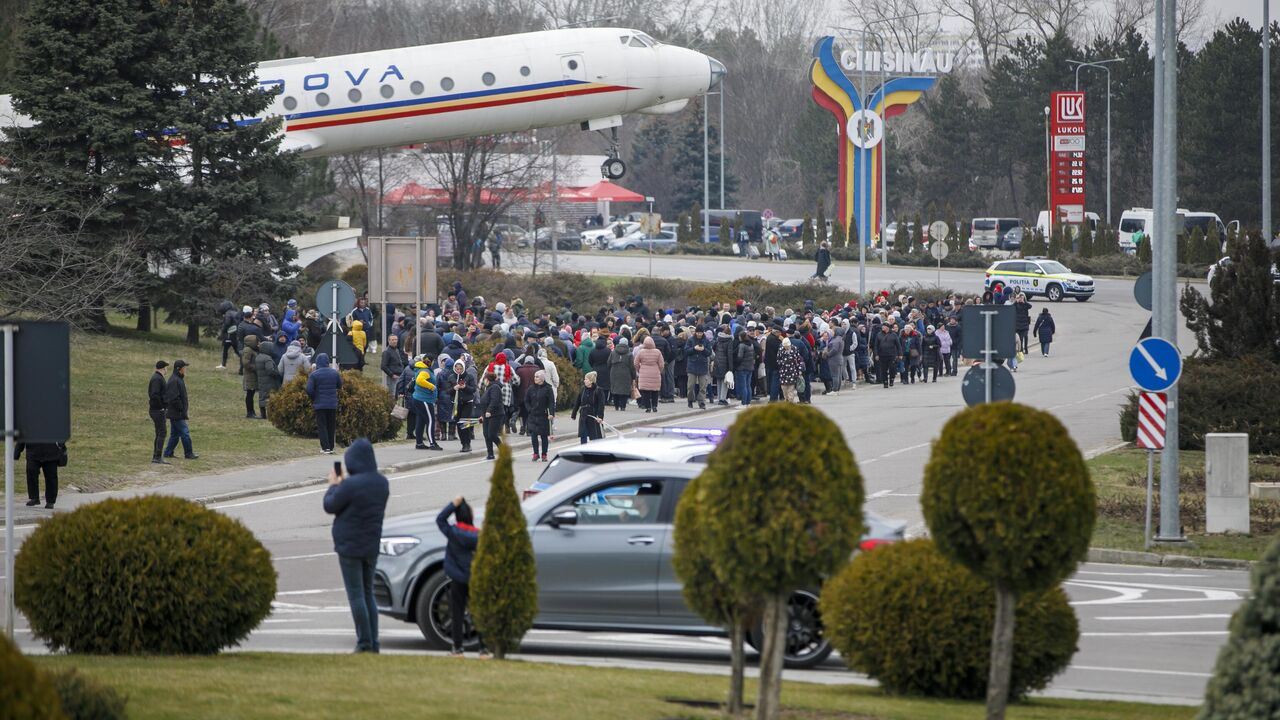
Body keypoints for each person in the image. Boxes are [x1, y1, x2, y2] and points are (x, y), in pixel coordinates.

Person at [323, 438, 389, 654]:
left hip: (350, 545)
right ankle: (374, 642)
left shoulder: (350, 485)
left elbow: (330, 505)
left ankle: (364, 643)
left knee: (356, 595)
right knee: (368, 593)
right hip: (371, 544)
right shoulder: (381, 483)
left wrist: (333, 485)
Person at [437, 496, 487, 658]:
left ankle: (458, 649)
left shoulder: (453, 532)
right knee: (479, 612)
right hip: (476, 578)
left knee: (457, 613)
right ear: (471, 517)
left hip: (457, 578)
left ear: (457, 516)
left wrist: (453, 504)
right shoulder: (479, 536)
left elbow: (440, 519)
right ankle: (484, 649)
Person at [307, 353, 343, 454]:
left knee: (322, 426)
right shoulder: (334, 373)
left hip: (320, 404)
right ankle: (331, 447)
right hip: (332, 404)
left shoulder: (314, 374)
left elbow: (309, 389)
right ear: (327, 362)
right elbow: (340, 385)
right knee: (331, 426)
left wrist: (314, 397)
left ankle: (325, 448)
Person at [162, 359, 197, 460]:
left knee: (175, 435)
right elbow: (174, 398)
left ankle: (168, 452)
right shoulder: (174, 380)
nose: (185, 369)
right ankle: (189, 453)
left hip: (176, 412)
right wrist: (181, 409)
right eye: (184, 367)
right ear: (179, 369)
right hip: (176, 413)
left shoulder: (178, 379)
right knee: (185, 433)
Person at [16, 441, 62, 509]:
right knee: (31, 472)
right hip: (33, 452)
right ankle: (34, 498)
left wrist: (61, 444)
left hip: (51, 453)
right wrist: (17, 451)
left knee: (51, 478)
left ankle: (50, 501)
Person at [411, 358, 444, 451]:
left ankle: (419, 443)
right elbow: (419, 380)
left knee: (421, 421)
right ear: (431, 362)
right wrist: (432, 386)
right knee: (430, 421)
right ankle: (433, 443)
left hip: (419, 398)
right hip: (424, 399)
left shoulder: (421, 369)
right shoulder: (425, 371)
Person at [524, 369, 555, 462]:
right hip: (533, 415)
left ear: (542, 378)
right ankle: (535, 453)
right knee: (533, 435)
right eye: (534, 377)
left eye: (537, 377)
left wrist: (551, 413)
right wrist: (529, 409)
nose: (535, 378)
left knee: (544, 436)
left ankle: (544, 454)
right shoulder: (531, 388)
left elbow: (551, 402)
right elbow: (526, 400)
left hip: (543, 415)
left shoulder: (548, 388)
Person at [476, 370, 506, 459]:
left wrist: (489, 410)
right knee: (486, 434)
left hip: (495, 414)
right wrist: (482, 414)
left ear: (487, 379)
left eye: (484, 379)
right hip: (486, 415)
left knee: (492, 434)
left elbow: (494, 400)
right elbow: (484, 402)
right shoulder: (488, 388)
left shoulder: (495, 387)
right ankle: (490, 454)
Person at [572, 371, 606, 443]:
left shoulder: (598, 390)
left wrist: (600, 416)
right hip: (583, 415)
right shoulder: (583, 389)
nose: (584, 380)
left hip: (593, 416)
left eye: (586, 379)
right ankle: (583, 449)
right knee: (583, 434)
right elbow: (577, 402)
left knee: (595, 436)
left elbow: (601, 405)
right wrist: (574, 413)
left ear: (591, 381)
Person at [633, 335, 665, 413]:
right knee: (655, 391)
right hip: (655, 373)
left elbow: (635, 363)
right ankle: (654, 406)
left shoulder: (641, 352)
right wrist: (659, 371)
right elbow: (661, 364)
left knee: (646, 392)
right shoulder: (657, 352)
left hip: (644, 373)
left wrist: (639, 370)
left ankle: (648, 407)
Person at [683, 328, 712, 409]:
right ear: (696, 332)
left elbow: (709, 352)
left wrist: (703, 350)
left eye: (701, 332)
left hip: (703, 365)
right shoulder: (690, 340)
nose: (699, 334)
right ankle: (690, 399)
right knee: (690, 386)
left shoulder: (706, 341)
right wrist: (694, 349)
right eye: (698, 332)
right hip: (692, 365)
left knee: (703, 386)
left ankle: (701, 401)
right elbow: (686, 351)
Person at [255, 337, 283, 419]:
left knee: (262, 397)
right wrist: (278, 373)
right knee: (269, 398)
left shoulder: (259, 357)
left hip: (261, 380)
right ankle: (271, 415)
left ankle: (262, 415)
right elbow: (270, 370)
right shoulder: (268, 359)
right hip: (269, 381)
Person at [149, 360, 169, 464]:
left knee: (159, 432)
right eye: (166, 368)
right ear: (163, 368)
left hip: (157, 410)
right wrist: (161, 407)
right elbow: (154, 395)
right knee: (162, 432)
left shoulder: (158, 378)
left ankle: (156, 456)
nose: (167, 370)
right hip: (157, 410)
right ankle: (157, 457)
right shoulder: (157, 379)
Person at [608, 337, 636, 411]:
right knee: (625, 390)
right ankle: (623, 406)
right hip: (626, 374)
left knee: (615, 390)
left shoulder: (613, 352)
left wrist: (610, 370)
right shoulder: (629, 354)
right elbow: (632, 367)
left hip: (614, 373)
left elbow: (608, 363)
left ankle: (616, 406)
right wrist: (633, 376)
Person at [875, 324, 903, 388]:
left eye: (884, 326)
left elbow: (898, 345)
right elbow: (876, 346)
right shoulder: (879, 335)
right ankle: (885, 382)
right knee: (883, 369)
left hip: (892, 354)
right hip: (882, 355)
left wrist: (900, 354)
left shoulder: (893, 334)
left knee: (892, 368)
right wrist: (876, 354)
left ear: (887, 327)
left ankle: (891, 379)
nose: (882, 327)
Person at [216, 300, 241, 370]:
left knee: (236, 350)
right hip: (235, 334)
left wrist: (222, 331)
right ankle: (223, 364)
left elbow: (227, 323)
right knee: (227, 349)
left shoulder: (228, 313)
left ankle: (244, 363)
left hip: (229, 335)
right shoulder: (235, 312)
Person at [241, 336, 260, 419]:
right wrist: (255, 368)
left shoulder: (251, 350)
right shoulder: (248, 350)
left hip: (252, 375)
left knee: (251, 394)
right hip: (250, 376)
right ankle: (250, 412)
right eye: (257, 342)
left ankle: (252, 412)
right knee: (250, 394)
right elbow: (246, 363)